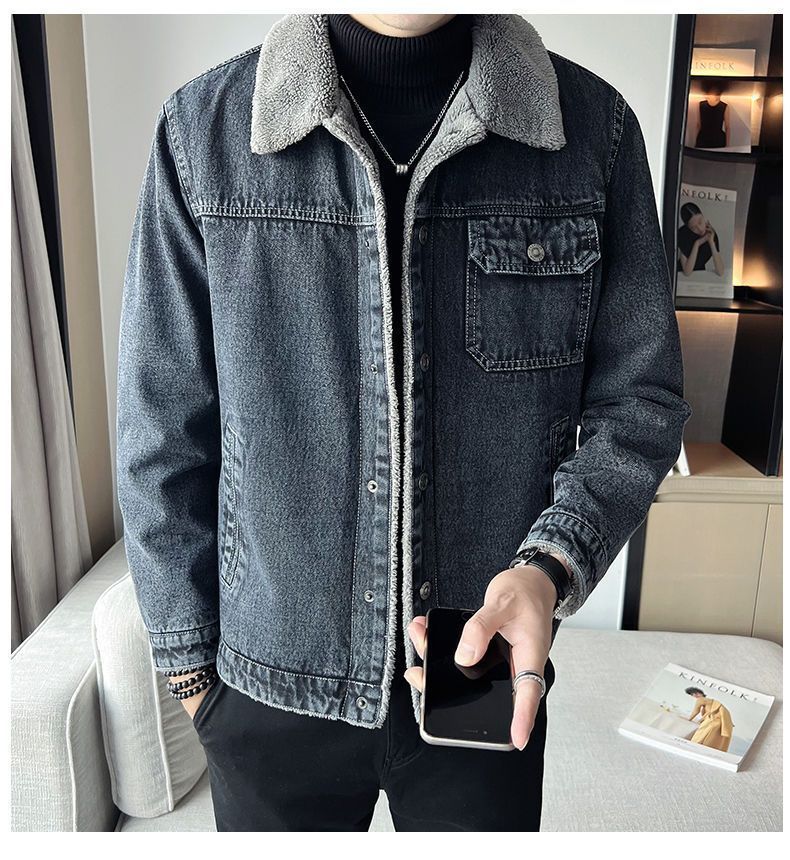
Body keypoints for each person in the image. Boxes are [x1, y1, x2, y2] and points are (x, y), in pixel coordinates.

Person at [116, 12, 692, 831]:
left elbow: (641, 400)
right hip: (267, 691)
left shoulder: (591, 134)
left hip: (481, 674)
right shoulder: (203, 134)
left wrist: (551, 564)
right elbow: (160, 427)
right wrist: (190, 673)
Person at [677, 201, 725, 277]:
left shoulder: (710, 232)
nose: (700, 229)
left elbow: (721, 272)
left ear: (703, 216)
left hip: (700, 273)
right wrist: (697, 243)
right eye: (693, 228)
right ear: (688, 228)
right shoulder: (683, 233)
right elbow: (687, 272)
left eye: (700, 222)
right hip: (680, 275)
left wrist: (711, 242)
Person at [685, 687, 734, 752]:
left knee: (699, 738)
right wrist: (700, 720)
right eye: (692, 694)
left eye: (694, 693)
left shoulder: (700, 700)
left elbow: (696, 711)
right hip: (719, 723)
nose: (694, 695)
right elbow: (709, 713)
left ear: (700, 693)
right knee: (711, 740)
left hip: (712, 722)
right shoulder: (711, 701)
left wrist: (689, 719)